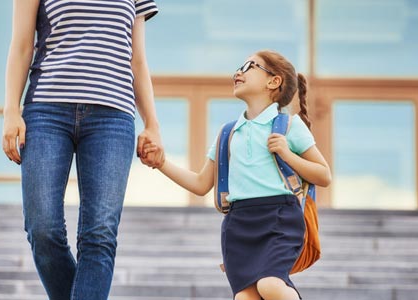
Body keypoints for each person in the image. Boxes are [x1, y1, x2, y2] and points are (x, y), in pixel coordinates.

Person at [1, 1, 163, 299]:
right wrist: (11, 110)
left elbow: (137, 59)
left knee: (99, 234)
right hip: (46, 111)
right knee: (42, 229)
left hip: (113, 117)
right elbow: (22, 45)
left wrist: (152, 122)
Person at [141, 50, 331, 300]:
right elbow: (200, 184)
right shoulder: (228, 132)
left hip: (279, 219)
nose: (238, 72)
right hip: (238, 225)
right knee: (244, 298)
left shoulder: (288, 126)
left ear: (273, 82)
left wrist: (288, 155)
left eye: (250, 66)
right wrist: (161, 163)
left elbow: (324, 175)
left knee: (271, 286)